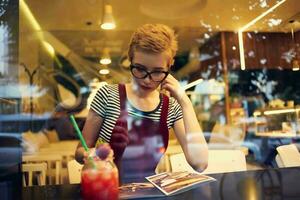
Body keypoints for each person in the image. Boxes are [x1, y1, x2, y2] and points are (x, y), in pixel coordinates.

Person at [75, 24, 208, 183]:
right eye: (139, 69)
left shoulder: (171, 107)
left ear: (169, 65)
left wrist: (185, 101)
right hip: (106, 188)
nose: (147, 79)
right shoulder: (107, 95)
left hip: (147, 191)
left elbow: (200, 164)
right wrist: (89, 155)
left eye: (157, 72)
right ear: (130, 60)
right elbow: (79, 151)